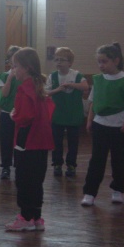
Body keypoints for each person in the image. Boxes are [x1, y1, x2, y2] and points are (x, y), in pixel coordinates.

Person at [5, 47, 54, 232]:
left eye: (15, 66)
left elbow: (25, 116)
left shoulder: (24, 89)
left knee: (24, 180)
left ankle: (25, 217)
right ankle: (36, 217)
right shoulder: (38, 87)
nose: (13, 70)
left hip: (27, 142)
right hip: (42, 141)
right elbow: (49, 110)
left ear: (26, 68)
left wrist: (14, 115)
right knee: (37, 180)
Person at [81, 42, 124, 206]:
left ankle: (118, 189)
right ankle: (90, 192)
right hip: (100, 125)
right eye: (99, 62)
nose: (101, 65)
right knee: (97, 160)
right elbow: (93, 102)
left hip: (120, 127)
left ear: (116, 61)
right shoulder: (98, 80)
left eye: (104, 61)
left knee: (119, 160)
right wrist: (90, 120)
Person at [45, 47, 89, 177]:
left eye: (62, 60)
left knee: (73, 142)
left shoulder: (76, 75)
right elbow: (46, 93)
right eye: (56, 59)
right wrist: (57, 90)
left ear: (70, 62)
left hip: (73, 114)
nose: (58, 62)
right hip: (58, 114)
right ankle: (57, 164)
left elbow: (86, 86)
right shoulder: (53, 76)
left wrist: (72, 85)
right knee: (56, 142)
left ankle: (71, 164)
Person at [0, 45, 22, 180]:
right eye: (12, 59)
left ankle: (19, 166)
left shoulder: (25, 76)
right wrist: (10, 78)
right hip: (7, 113)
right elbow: (4, 94)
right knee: (6, 141)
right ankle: (6, 167)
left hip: (22, 114)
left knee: (20, 141)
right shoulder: (2, 76)